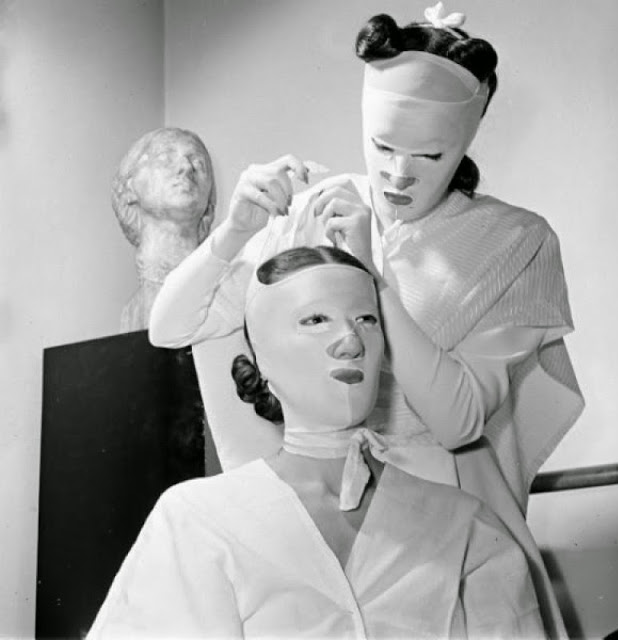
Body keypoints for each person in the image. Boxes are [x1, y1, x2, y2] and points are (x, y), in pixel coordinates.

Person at [148, 5, 584, 637]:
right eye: (382, 147)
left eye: (429, 154)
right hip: (317, 502)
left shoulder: (514, 239)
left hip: (443, 512)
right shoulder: (318, 208)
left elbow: (459, 420)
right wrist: (235, 230)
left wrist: (373, 277)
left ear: (465, 141)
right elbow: (169, 328)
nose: (399, 174)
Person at [89, 247, 545, 639]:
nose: (350, 342)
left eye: (366, 320)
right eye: (315, 320)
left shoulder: (465, 527)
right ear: (260, 360)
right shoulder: (196, 521)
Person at [112, 127, 215, 332]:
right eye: (166, 158)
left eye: (198, 163)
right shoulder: (133, 312)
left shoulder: (224, 298)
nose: (186, 167)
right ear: (130, 187)